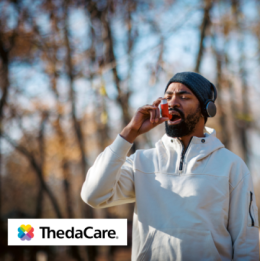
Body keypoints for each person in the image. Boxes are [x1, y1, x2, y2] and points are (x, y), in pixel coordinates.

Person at [81, 72, 259, 261]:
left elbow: (246, 242)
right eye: (168, 97)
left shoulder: (231, 165)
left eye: (184, 97)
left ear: (207, 108)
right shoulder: (142, 162)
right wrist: (129, 133)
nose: (173, 102)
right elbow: (93, 195)